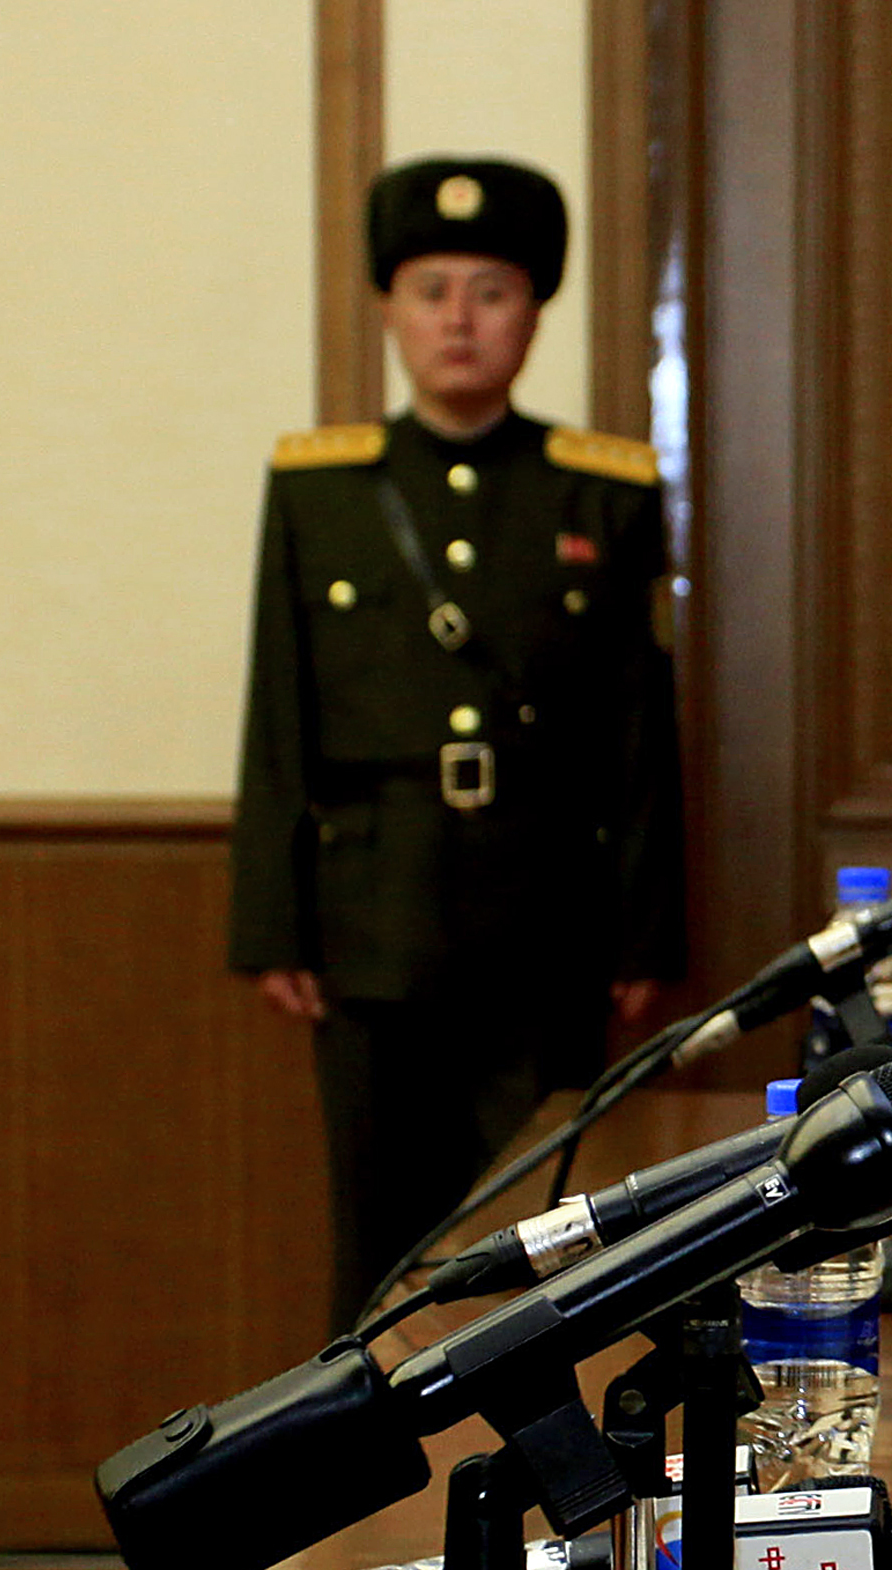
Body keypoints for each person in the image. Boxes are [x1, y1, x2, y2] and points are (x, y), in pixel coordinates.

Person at [227, 156, 686, 1331]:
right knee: (379, 1244)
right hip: (370, 922)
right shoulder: (322, 489)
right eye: (432, 289)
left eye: (491, 291)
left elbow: (641, 731)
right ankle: (367, 1505)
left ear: (534, 314)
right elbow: (278, 711)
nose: (459, 319)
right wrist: (274, 920)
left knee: (553, 1237)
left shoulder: (604, 492)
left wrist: (645, 927)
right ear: (389, 309)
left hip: (550, 923)